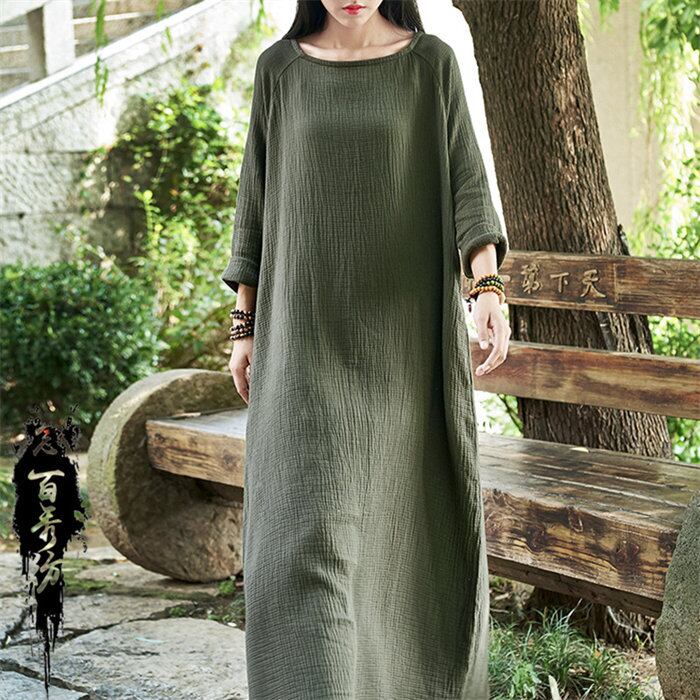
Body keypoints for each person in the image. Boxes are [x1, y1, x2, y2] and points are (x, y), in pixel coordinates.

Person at [222, 1, 510, 697]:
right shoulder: (279, 71)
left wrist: (487, 287)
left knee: (399, 547)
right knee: (301, 544)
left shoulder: (430, 65)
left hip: (401, 351)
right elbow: (255, 202)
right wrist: (244, 325)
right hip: (302, 343)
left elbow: (468, 185)